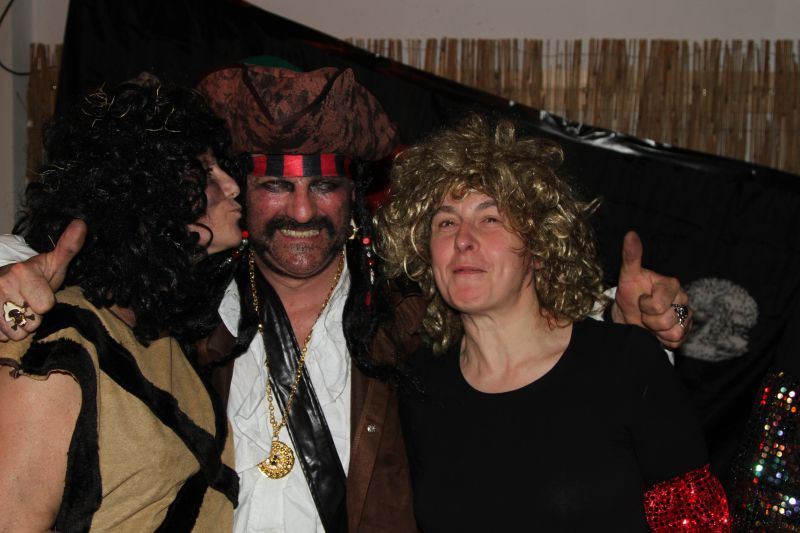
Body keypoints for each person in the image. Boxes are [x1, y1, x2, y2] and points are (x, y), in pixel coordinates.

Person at [0, 65, 693, 532]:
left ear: (354, 197)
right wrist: (7, 297)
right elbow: (61, 291)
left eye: (325, 185)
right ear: (242, 193)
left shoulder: (412, 322)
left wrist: (616, 310)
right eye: (277, 185)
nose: (302, 210)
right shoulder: (182, 316)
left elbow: (517, 323)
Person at [377, 115, 730, 531]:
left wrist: (676, 317)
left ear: (540, 247)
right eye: (446, 222)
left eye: (490, 218)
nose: (463, 239)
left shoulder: (625, 361)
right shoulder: (419, 386)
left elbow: (703, 525)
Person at [0, 76, 242, 531]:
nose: (232, 187)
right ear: (150, 191)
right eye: (207, 172)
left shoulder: (161, 336)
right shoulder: (63, 348)